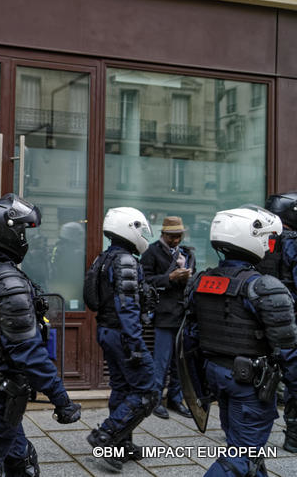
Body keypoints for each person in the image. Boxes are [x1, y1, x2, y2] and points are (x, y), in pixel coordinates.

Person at [0, 194, 82, 477]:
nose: (24, 238)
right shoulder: (7, 281)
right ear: (4, 231)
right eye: (21, 230)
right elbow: (27, 351)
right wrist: (61, 399)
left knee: (20, 461)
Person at [180, 206, 297, 476]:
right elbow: (288, 349)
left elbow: (190, 337)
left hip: (217, 376)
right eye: (267, 239)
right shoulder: (265, 287)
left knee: (246, 451)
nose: (270, 246)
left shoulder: (201, 280)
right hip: (250, 382)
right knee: (242, 456)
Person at [84, 207, 157, 472]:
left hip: (106, 330)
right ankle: (106, 436)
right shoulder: (125, 260)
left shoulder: (102, 258)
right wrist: (136, 343)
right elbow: (127, 307)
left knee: (123, 388)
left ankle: (122, 444)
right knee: (148, 390)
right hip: (123, 333)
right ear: (131, 228)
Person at [140, 216, 194, 420]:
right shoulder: (151, 252)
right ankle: (155, 400)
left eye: (179, 237)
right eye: (172, 237)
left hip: (183, 313)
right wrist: (169, 278)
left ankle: (175, 398)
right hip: (163, 314)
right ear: (164, 234)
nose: (176, 241)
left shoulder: (185, 252)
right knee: (161, 360)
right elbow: (144, 281)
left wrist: (188, 276)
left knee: (180, 361)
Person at [256, 192, 297, 453]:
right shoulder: (293, 243)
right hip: (289, 318)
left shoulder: (262, 241)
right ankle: (293, 434)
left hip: (262, 316)